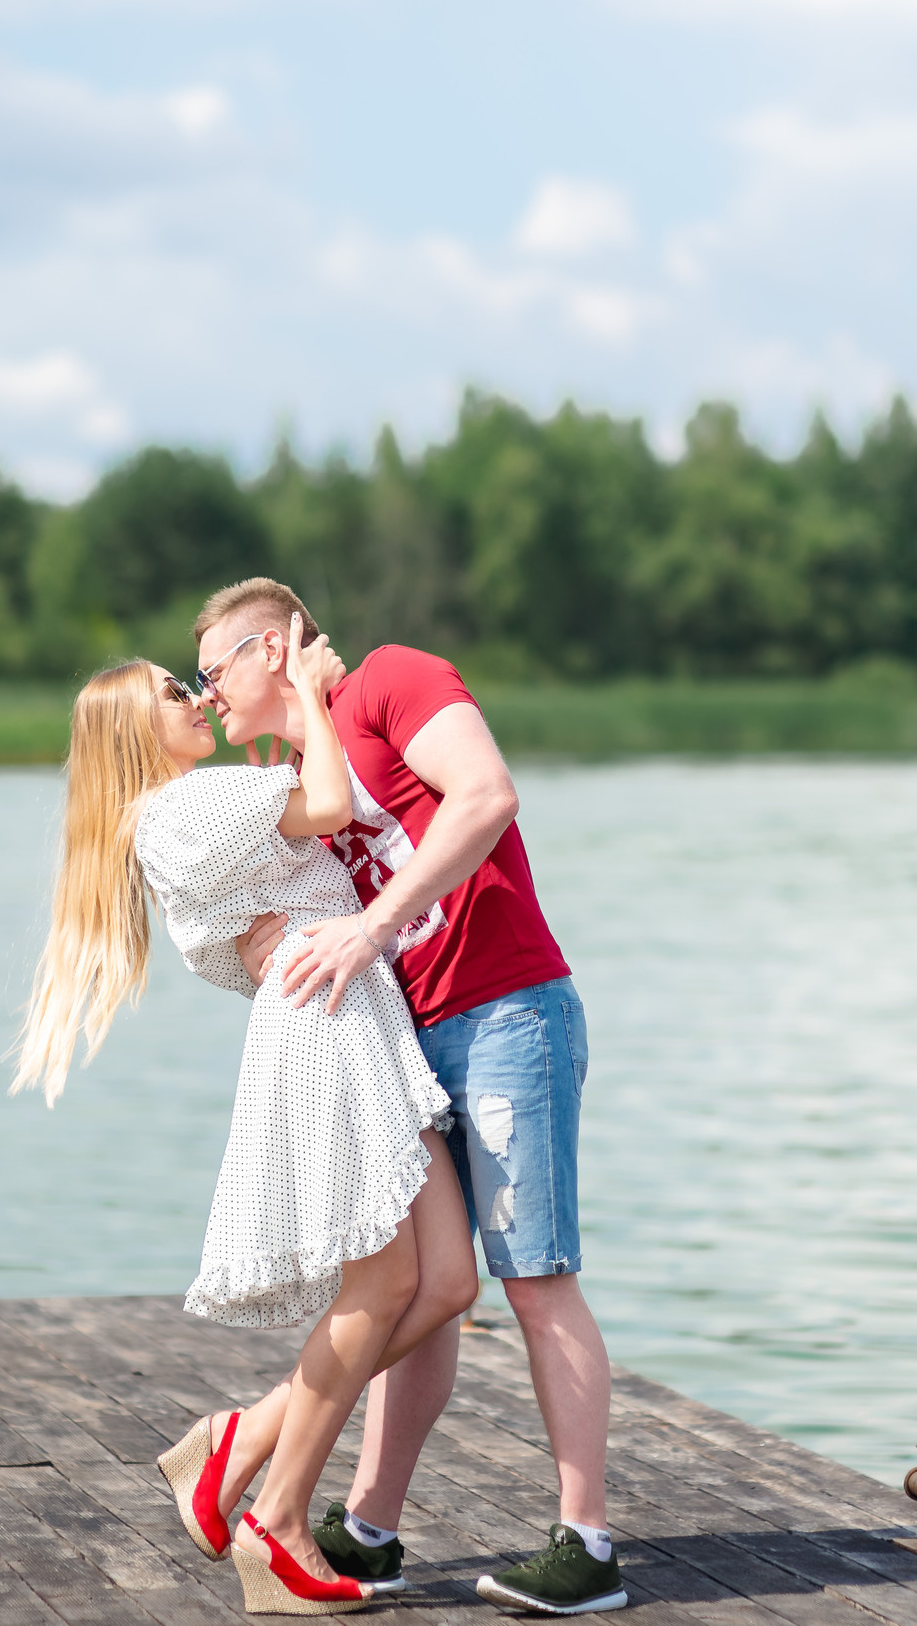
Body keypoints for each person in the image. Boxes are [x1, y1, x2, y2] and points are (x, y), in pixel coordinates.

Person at [9, 618, 477, 1616]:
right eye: (176, 693)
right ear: (138, 735)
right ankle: (276, 1516)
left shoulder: (188, 810)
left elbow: (231, 943)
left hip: (342, 1003)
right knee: (391, 1275)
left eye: (195, 682)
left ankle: (240, 1439)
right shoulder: (185, 806)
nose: (197, 698)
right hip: (328, 1018)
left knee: (443, 1280)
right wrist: (308, 686)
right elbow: (331, 800)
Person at [193, 578, 628, 1618]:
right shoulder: (302, 772)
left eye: (212, 671)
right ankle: (370, 1526)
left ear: (270, 647)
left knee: (535, 1275)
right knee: (421, 1284)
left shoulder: (391, 679)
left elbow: (486, 795)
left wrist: (372, 923)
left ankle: (587, 1544)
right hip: (407, 1042)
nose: (206, 698)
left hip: (507, 1010)